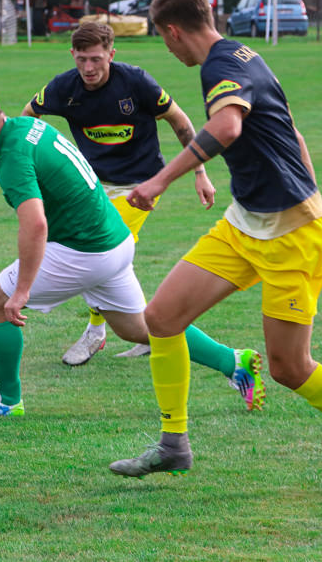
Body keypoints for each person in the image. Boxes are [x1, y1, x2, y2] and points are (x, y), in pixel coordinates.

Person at [107, 0, 322, 488]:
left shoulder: (220, 66)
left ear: (172, 30)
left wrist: (162, 179)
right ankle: (173, 445)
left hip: (292, 236)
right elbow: (291, 133)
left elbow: (227, 127)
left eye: (166, 42)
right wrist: (317, 193)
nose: (170, 52)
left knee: (289, 368)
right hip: (244, 223)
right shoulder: (243, 55)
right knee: (161, 318)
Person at [0, 85, 263, 417]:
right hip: (113, 239)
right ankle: (233, 362)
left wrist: (21, 290)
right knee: (140, 328)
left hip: (84, 251)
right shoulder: (28, 127)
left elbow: (35, 224)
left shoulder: (12, 157)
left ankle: (5, 401)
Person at [20, 22, 212, 365]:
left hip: (140, 187)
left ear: (112, 53)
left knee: (96, 252)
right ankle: (148, 327)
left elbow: (180, 121)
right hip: (91, 187)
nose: (88, 68)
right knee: (110, 261)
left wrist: (200, 172)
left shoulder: (136, 82)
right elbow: (28, 120)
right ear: (72, 56)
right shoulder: (64, 87)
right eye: (81, 60)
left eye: (96, 59)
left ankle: (96, 332)